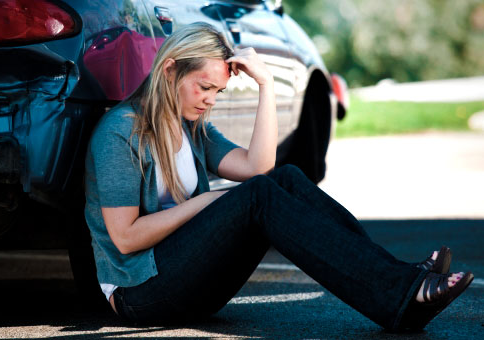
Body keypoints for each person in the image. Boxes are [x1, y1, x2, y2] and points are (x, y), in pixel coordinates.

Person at [84, 22, 473, 331]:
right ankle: (400, 290)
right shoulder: (120, 133)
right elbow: (125, 237)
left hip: (184, 279)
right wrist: (206, 202)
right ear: (170, 70)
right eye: (204, 87)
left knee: (283, 178)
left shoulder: (192, 127)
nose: (210, 100)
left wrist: (266, 83)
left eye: (218, 91)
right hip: (140, 292)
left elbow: (259, 167)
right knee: (257, 196)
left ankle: (399, 284)